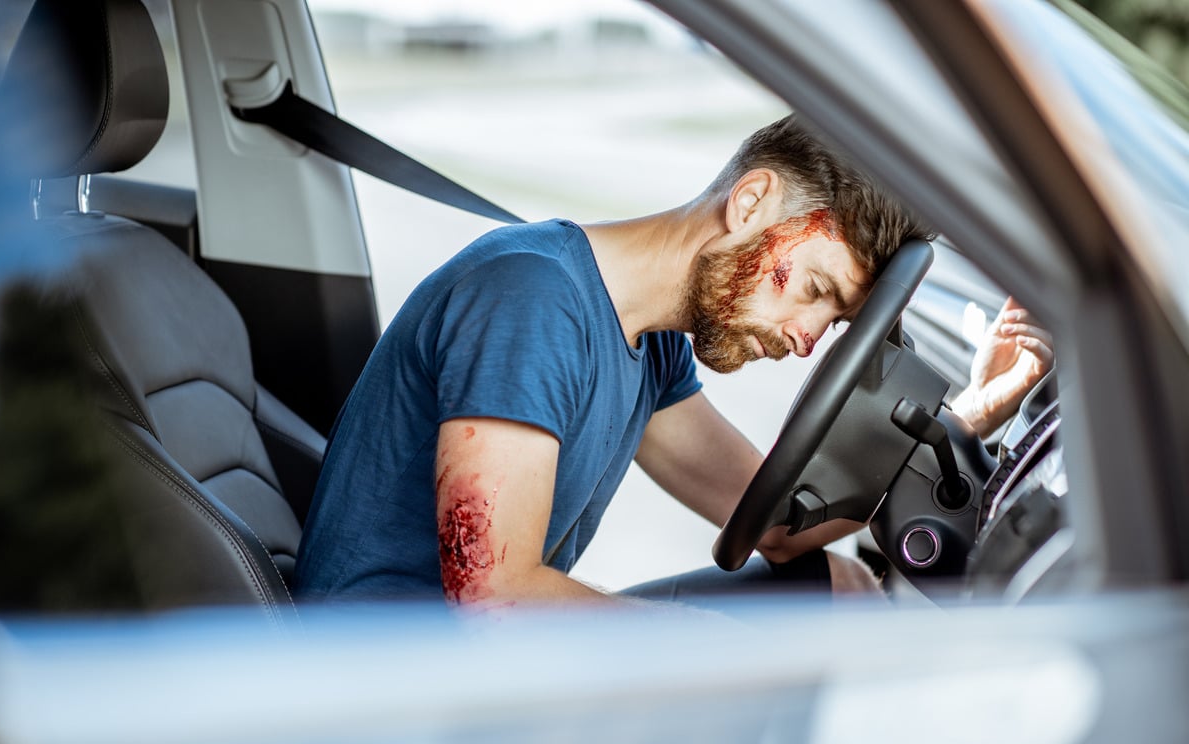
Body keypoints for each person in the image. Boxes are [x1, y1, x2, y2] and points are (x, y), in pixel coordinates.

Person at [294, 115, 1053, 607]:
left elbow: (775, 524)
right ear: (751, 202)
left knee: (838, 588)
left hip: (473, 670)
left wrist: (969, 416)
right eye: (817, 290)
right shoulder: (532, 299)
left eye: (835, 318)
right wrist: (705, 651)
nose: (808, 339)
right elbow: (496, 599)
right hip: (383, 686)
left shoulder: (651, 344)